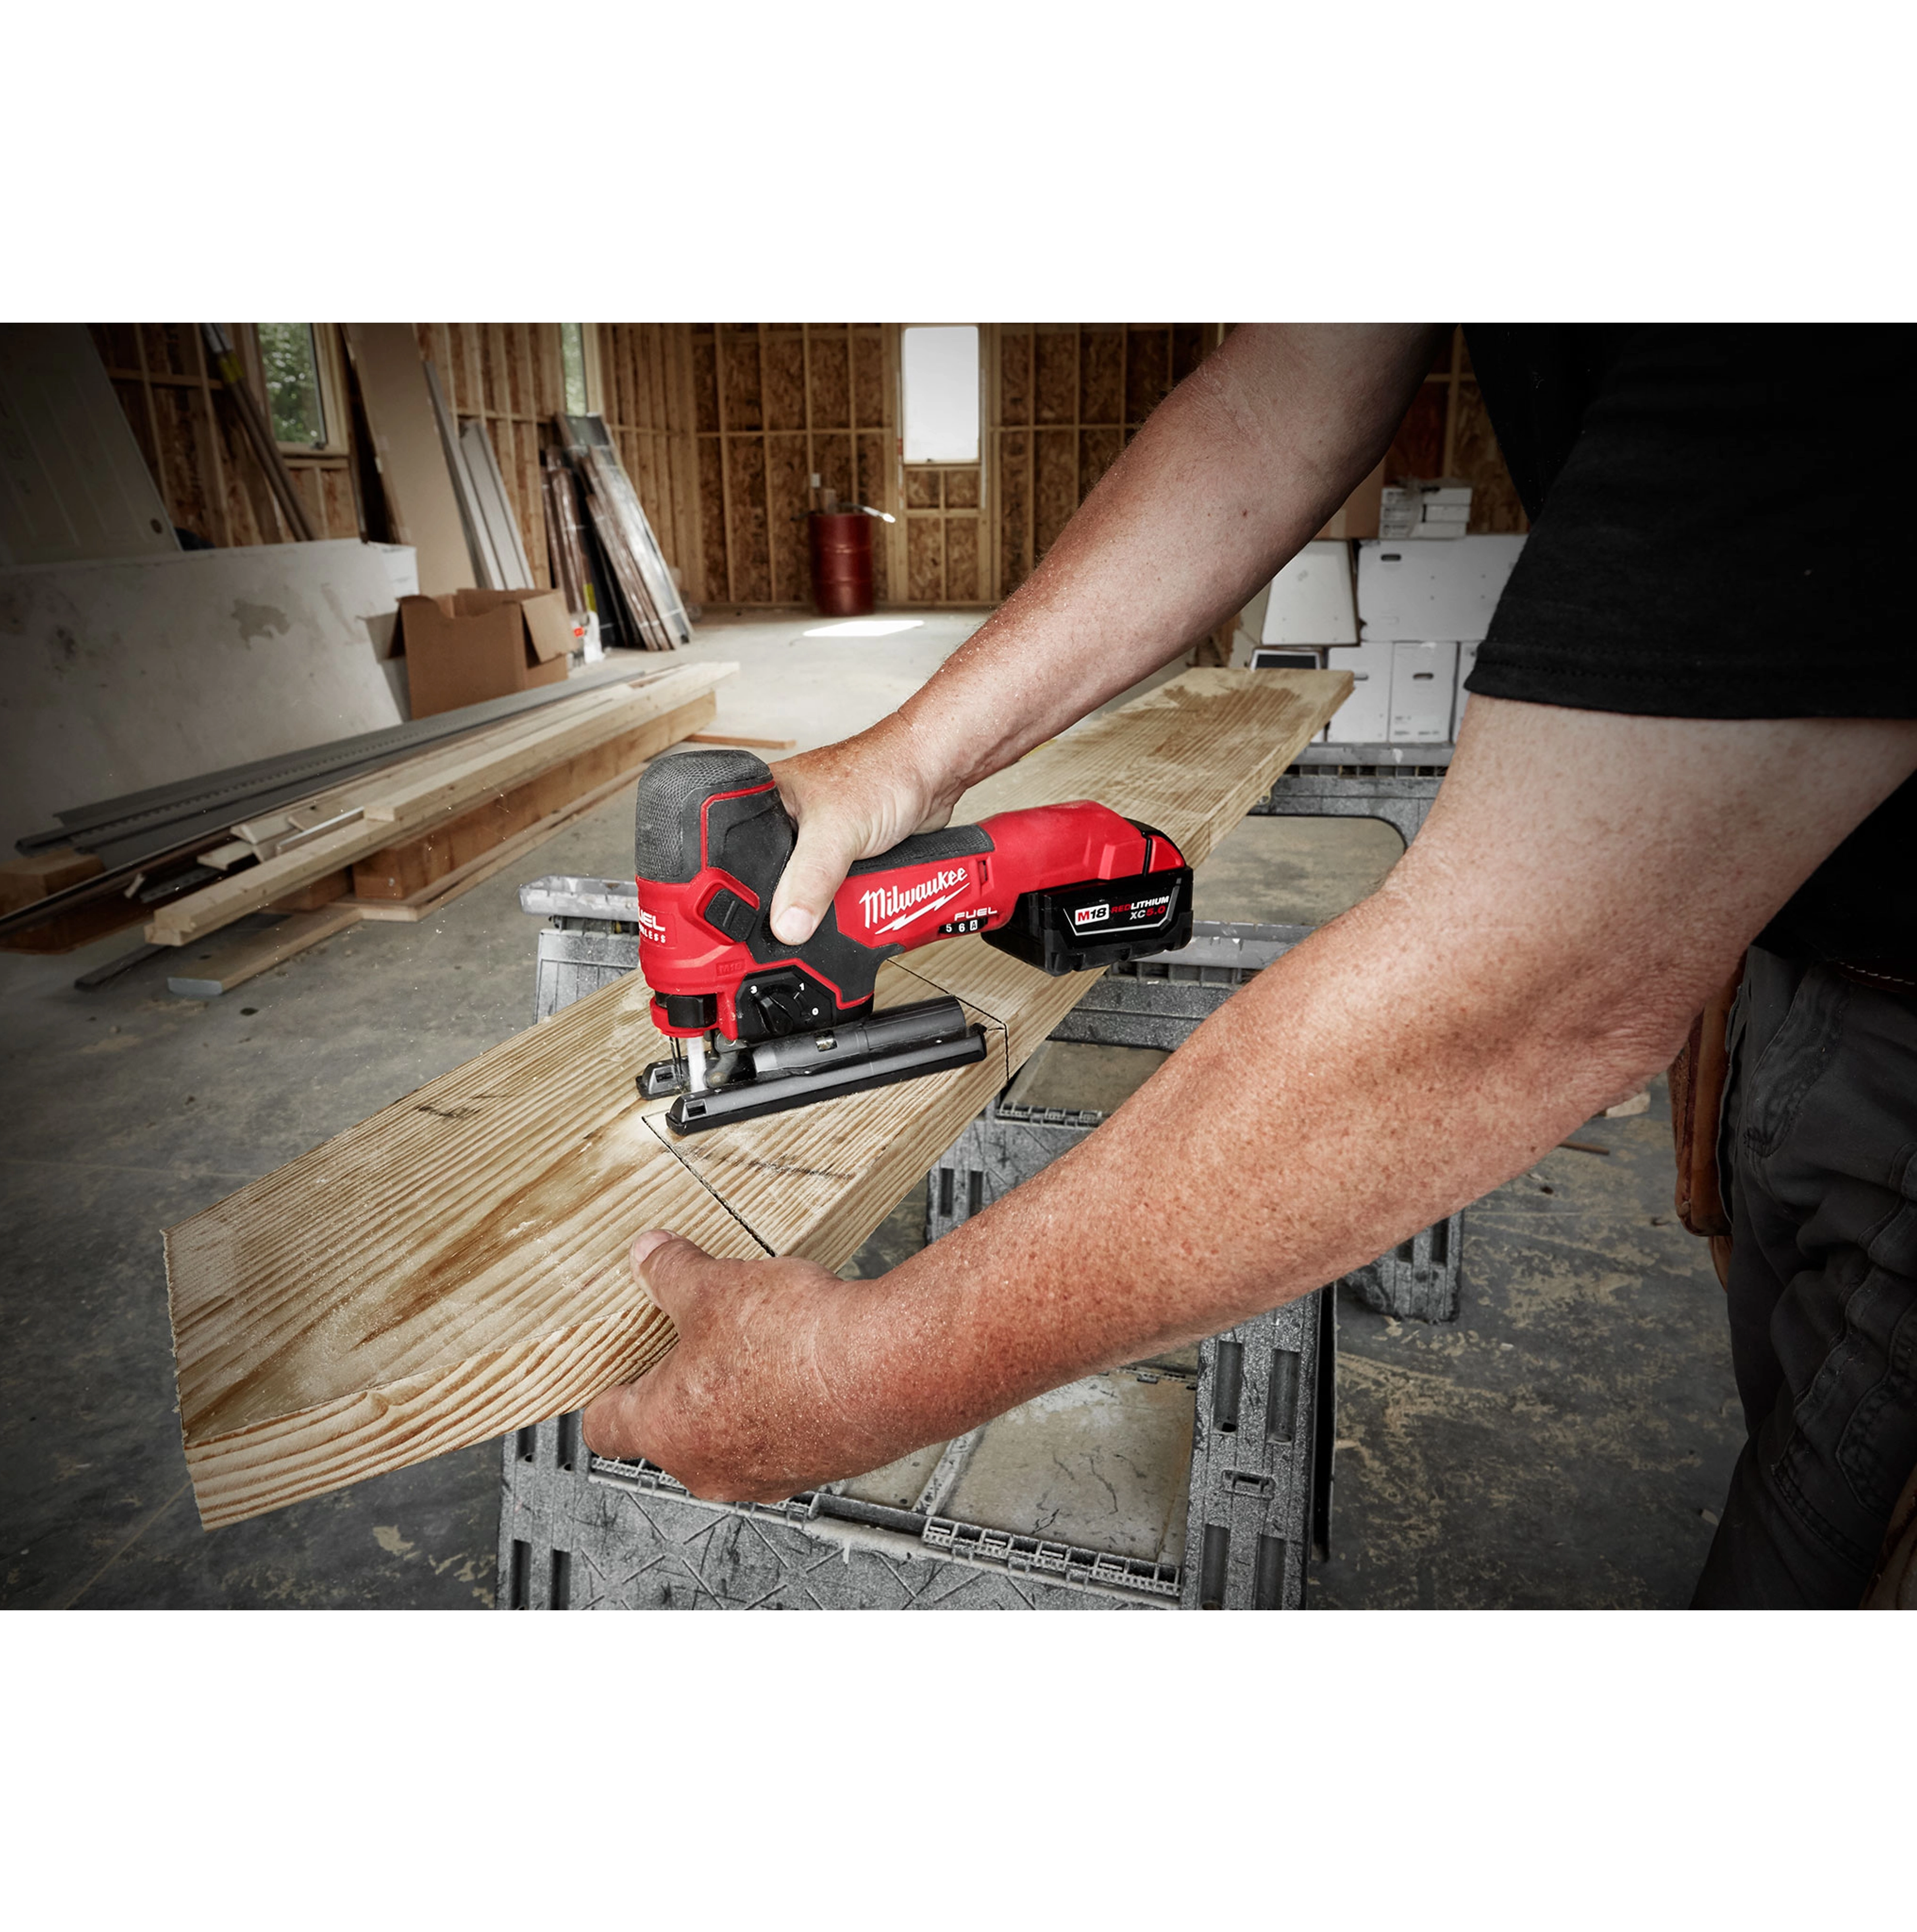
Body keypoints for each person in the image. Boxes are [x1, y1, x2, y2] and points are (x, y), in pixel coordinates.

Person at [584, 321, 1916, 1611]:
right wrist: (907, 755)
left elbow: (1515, 1003)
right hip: (1814, 956)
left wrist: (865, 1376)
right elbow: (1272, 403)